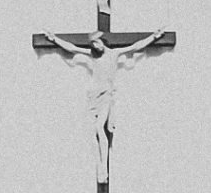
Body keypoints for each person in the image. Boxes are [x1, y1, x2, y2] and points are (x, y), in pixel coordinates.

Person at [43, 28, 165, 182]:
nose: (96, 46)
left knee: (100, 127)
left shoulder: (114, 54)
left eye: (97, 42)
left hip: (106, 95)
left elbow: (135, 46)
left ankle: (103, 167)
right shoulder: (93, 55)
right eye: (93, 44)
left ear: (102, 41)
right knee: (92, 130)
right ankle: (99, 164)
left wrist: (153, 37)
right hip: (94, 95)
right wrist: (54, 39)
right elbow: (72, 48)